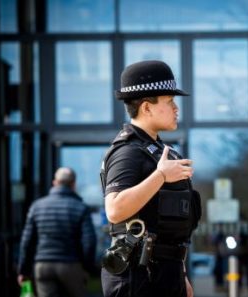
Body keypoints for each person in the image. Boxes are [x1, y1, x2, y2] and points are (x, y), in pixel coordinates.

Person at [100, 60, 201, 297]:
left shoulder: (158, 149)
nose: (176, 108)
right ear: (147, 108)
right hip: (138, 276)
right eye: (169, 102)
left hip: (166, 271)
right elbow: (114, 209)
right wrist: (161, 176)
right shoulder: (128, 152)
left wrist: (181, 273)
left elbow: (167, 224)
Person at [17, 167, 97, 297]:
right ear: (73, 184)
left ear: (55, 182)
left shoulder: (36, 206)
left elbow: (27, 241)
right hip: (71, 265)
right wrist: (87, 267)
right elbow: (89, 241)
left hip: (43, 266)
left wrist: (23, 271)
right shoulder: (80, 207)